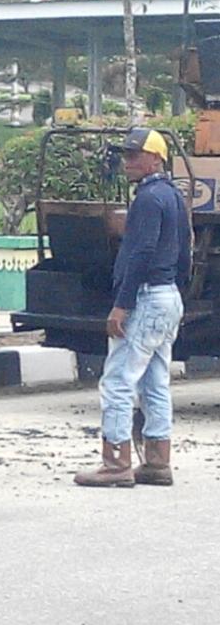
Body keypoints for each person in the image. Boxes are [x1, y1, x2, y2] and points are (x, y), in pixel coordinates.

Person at [75, 128, 190, 488]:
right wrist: (176, 292)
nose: (127, 162)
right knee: (155, 381)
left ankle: (116, 463)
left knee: (118, 381)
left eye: (134, 155)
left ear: (155, 157)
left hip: (145, 297)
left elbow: (140, 252)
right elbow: (186, 250)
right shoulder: (173, 196)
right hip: (167, 295)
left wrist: (122, 305)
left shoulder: (147, 200)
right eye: (126, 155)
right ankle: (157, 460)